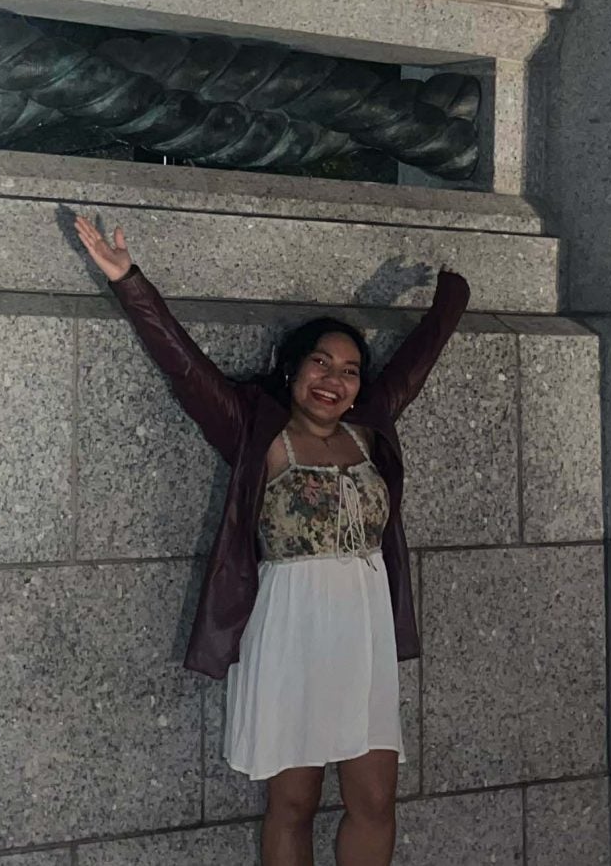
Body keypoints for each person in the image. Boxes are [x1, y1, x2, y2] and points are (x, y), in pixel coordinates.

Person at [71, 214, 470, 866]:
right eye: (321, 361)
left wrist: (454, 288)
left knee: (375, 799)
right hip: (291, 628)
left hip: (362, 632)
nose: (334, 378)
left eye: (348, 369)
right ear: (292, 369)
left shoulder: (370, 429)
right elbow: (185, 366)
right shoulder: (254, 430)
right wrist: (128, 281)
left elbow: (419, 359)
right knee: (293, 802)